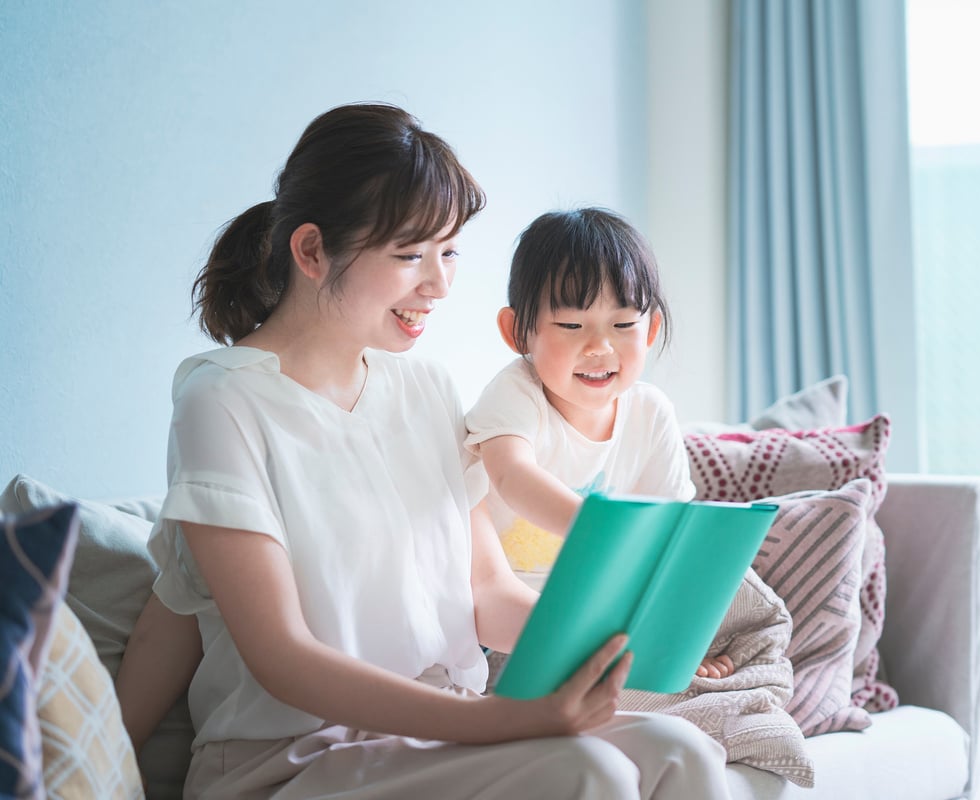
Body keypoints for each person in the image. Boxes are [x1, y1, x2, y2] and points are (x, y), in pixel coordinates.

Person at [118, 102, 732, 799]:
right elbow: (280, 657)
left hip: (435, 735)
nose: (439, 284)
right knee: (584, 771)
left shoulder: (426, 388)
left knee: (685, 752)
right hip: (289, 757)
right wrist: (504, 723)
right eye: (410, 255)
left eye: (448, 252)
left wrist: (614, 646)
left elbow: (489, 593)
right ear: (312, 251)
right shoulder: (223, 400)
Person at [464, 207, 734, 681]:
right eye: (571, 326)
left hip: (610, 615)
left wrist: (677, 634)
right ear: (516, 332)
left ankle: (667, 662)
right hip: (511, 624)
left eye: (623, 325)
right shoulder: (515, 392)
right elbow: (510, 476)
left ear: (650, 331)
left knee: (739, 589)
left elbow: (668, 535)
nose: (600, 347)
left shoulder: (650, 413)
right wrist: (602, 532)